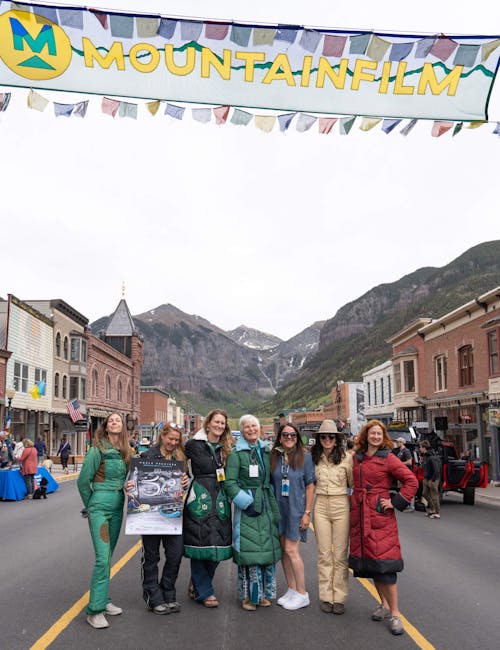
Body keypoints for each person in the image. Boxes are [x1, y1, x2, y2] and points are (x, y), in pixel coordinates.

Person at [349, 419, 418, 636]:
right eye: (372, 433)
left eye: (379, 433)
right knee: (372, 566)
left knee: (386, 568)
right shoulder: (357, 458)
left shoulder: (388, 458)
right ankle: (384, 605)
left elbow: (412, 481)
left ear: (383, 436)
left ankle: (395, 613)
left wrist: (395, 502)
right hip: (360, 516)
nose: (376, 437)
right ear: (366, 435)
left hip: (380, 517)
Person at [77, 413, 132, 629]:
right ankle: (95, 610)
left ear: (123, 426)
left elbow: (131, 479)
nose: (114, 422)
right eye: (111, 421)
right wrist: (92, 505)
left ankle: (103, 599)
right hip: (100, 508)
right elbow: (83, 481)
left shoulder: (127, 451)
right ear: (106, 427)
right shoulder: (96, 450)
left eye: (118, 420)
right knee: (102, 558)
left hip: (118, 507)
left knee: (108, 557)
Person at [225, 414, 282, 611]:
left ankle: (264, 594)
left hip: (266, 503)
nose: (251, 429)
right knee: (249, 550)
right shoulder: (236, 454)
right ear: (241, 430)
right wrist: (246, 502)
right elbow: (229, 483)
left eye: (254, 426)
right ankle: (248, 596)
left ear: (259, 429)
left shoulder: (266, 451)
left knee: (267, 548)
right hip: (249, 506)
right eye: (247, 427)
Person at [183, 409, 233, 607]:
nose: (219, 426)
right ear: (208, 423)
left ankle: (198, 583)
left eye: (222, 423)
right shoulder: (194, 445)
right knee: (199, 542)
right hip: (200, 495)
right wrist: (183, 474)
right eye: (216, 422)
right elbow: (176, 457)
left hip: (220, 495)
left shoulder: (227, 448)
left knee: (217, 545)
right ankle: (204, 591)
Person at [140, 424, 189, 615]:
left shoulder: (180, 458)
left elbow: (183, 485)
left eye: (177, 440)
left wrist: (184, 482)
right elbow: (136, 482)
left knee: (175, 555)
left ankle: (168, 590)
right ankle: (153, 596)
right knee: (151, 557)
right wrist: (130, 484)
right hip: (151, 515)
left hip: (173, 514)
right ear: (163, 436)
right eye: (171, 439)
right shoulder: (147, 456)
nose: (173, 443)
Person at [270, 423, 315, 610]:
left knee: (291, 550)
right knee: (283, 551)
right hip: (279, 510)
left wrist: (307, 512)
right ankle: (292, 589)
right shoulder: (275, 458)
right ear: (280, 438)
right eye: (285, 435)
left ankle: (303, 593)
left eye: (293, 435)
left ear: (297, 438)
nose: (289, 438)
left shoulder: (305, 458)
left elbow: (310, 485)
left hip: (296, 510)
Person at [311, 420, 353, 615]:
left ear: (337, 439)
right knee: (324, 554)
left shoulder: (347, 459)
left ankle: (340, 598)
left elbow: (352, 485)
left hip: (340, 505)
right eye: (323, 436)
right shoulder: (313, 458)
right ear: (319, 439)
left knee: (340, 555)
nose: (327, 440)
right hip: (320, 505)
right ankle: (326, 597)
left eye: (331, 436)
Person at [419, 440, 442, 519]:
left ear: (424, 448)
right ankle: (432, 509)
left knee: (434, 496)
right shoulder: (425, 456)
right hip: (427, 478)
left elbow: (437, 470)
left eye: (420, 447)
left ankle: (437, 513)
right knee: (424, 493)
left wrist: (433, 480)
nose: (419, 449)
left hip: (433, 479)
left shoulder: (432, 457)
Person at [395, 437, 415, 512]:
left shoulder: (406, 451)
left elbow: (409, 462)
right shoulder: (400, 451)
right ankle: (405, 505)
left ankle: (411, 506)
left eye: (398, 442)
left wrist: (399, 464)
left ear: (402, 443)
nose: (397, 444)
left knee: (408, 489)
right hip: (400, 473)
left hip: (406, 473)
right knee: (402, 489)